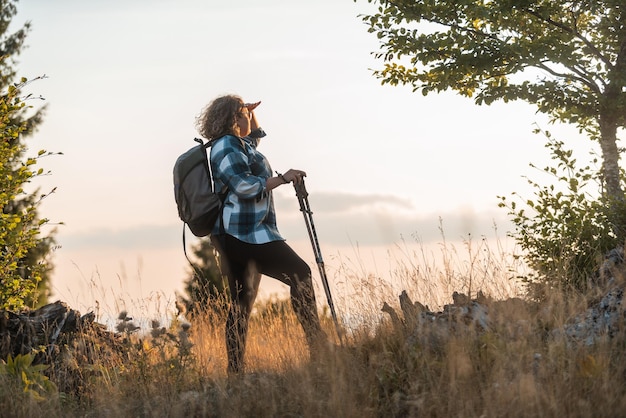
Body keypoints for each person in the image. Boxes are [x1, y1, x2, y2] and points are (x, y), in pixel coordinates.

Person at [195, 94, 328, 374]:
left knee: (246, 300)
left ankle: (239, 370)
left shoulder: (241, 144)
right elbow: (243, 186)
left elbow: (255, 135)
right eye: (243, 114)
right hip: (238, 235)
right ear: (233, 119)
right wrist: (283, 178)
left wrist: (250, 113)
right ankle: (315, 350)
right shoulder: (224, 146)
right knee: (290, 278)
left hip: (257, 232)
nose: (248, 118)